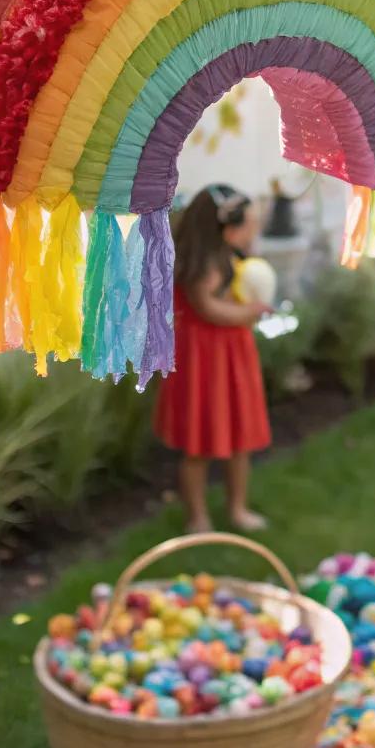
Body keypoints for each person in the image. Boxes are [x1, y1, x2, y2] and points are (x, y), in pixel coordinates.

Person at [155, 184, 271, 534]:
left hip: (230, 355)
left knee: (239, 437)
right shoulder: (203, 263)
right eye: (247, 225)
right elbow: (208, 308)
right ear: (222, 228)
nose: (253, 231)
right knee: (198, 442)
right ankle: (198, 517)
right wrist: (249, 312)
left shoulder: (228, 255)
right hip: (204, 360)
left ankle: (238, 509)